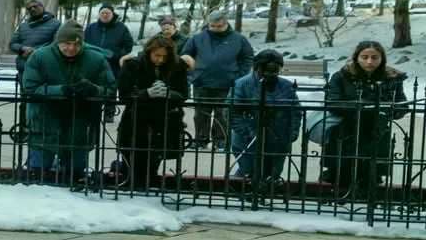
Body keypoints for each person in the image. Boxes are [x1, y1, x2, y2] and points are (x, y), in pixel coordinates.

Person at [20, 21, 115, 185]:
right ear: (58, 41)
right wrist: (62, 90)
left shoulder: (96, 59)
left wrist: (94, 89)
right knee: (39, 172)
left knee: (75, 175)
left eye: (76, 44)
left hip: (80, 121)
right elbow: (30, 88)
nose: (71, 48)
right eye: (66, 43)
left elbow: (110, 89)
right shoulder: (39, 57)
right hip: (45, 121)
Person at [321, 40, 408, 202]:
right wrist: (361, 106)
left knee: (371, 170)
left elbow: (402, 105)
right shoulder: (342, 76)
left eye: (374, 57)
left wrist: (387, 110)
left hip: (377, 130)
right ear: (357, 57)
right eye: (365, 57)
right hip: (347, 129)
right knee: (343, 169)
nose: (369, 61)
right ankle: (341, 195)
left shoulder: (392, 78)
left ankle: (368, 199)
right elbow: (332, 102)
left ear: (381, 59)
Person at [113, 34, 187, 187]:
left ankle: (146, 182)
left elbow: (183, 93)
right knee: (134, 156)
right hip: (137, 118)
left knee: (155, 157)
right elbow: (124, 94)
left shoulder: (177, 66)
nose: (160, 60)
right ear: (149, 52)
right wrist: (146, 93)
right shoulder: (133, 65)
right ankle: (131, 179)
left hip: (164, 119)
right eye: (157, 55)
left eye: (164, 57)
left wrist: (169, 93)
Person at [229, 49, 302, 188]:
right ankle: (244, 189)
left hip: (278, 139)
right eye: (267, 70)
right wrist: (248, 131)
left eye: (275, 70)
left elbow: (296, 112)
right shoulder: (242, 84)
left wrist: (292, 132)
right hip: (248, 139)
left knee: (272, 176)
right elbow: (232, 112)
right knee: (249, 172)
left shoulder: (286, 86)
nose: (271, 74)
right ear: (258, 68)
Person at [183, 10, 253, 149]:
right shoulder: (197, 38)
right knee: (200, 114)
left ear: (226, 23)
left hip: (227, 83)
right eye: (212, 26)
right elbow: (186, 56)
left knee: (222, 114)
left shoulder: (239, 39)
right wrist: (192, 75)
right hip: (201, 82)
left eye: (219, 26)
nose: (215, 29)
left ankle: (220, 141)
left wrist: (239, 77)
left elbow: (247, 58)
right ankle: (200, 140)